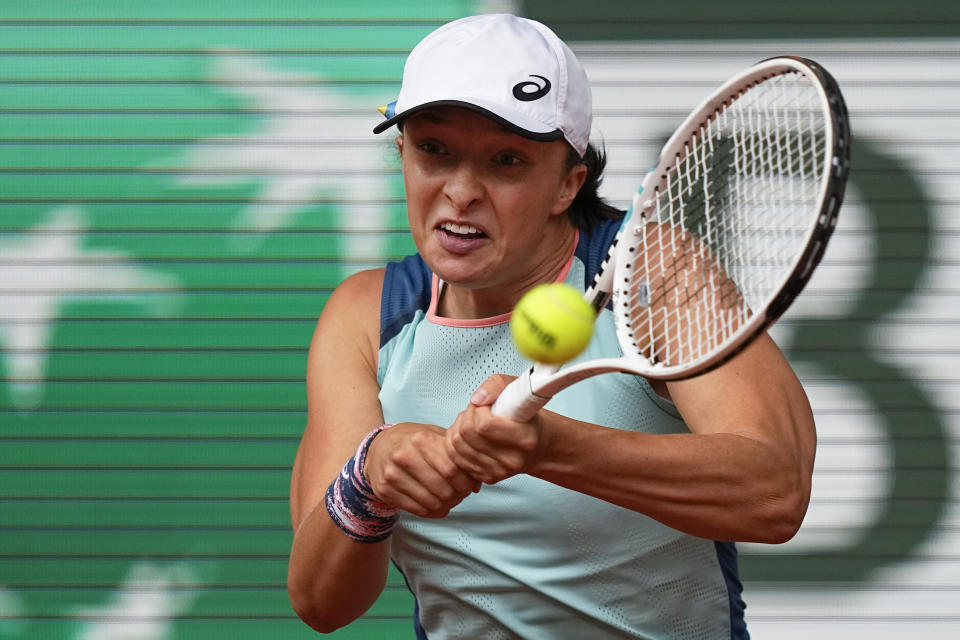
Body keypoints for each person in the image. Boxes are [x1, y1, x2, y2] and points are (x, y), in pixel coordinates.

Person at [287, 13, 816, 640]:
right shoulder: (365, 315)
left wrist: (552, 448)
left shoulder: (650, 269)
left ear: (568, 184)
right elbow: (321, 603)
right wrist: (368, 477)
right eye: (434, 150)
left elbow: (774, 491)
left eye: (506, 161)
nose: (460, 192)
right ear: (402, 150)